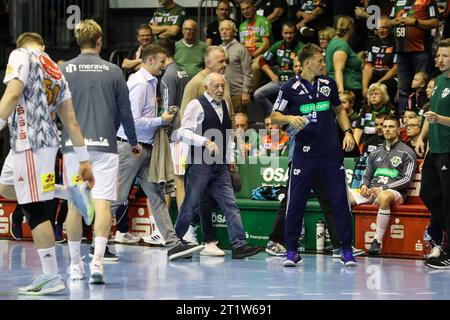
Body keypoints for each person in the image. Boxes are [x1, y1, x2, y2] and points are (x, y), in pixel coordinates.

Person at [0, 32, 95, 295]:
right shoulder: (56, 70)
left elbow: (12, 93)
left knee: (34, 208)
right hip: (38, 143)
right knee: (7, 189)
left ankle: (51, 276)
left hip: (29, 141)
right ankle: (67, 192)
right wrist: (84, 160)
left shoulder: (20, 55)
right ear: (42, 46)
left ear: (21, 45)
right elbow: (71, 121)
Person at [60, 20, 140, 284]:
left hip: (73, 148)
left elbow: (55, 110)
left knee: (74, 205)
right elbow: (125, 111)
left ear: (78, 40)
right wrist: (133, 140)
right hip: (105, 147)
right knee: (103, 204)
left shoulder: (65, 70)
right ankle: (97, 264)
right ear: (99, 40)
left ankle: (74, 266)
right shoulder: (115, 71)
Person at [111, 44, 205, 261]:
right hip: (131, 147)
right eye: (162, 61)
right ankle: (99, 242)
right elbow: (132, 120)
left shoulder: (149, 82)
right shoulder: (140, 84)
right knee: (116, 198)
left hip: (144, 148)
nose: (165, 65)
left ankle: (173, 244)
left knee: (157, 196)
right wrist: (160, 120)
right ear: (150, 60)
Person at [271, 43, 357, 267]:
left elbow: (339, 111)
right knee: (295, 201)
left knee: (339, 200)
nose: (324, 63)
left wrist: (347, 132)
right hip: (304, 153)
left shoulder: (329, 84)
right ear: (307, 62)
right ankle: (291, 251)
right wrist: (290, 118)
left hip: (330, 153)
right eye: (320, 60)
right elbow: (275, 116)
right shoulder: (289, 87)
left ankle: (346, 249)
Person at [176, 72, 261, 259]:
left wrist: (230, 159)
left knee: (230, 204)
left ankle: (239, 245)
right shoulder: (196, 105)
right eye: (216, 86)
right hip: (199, 163)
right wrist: (205, 141)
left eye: (223, 86)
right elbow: (182, 132)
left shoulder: (224, 104)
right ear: (206, 88)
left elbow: (227, 133)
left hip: (220, 165)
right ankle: (176, 241)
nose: (221, 90)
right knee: (190, 204)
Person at [349, 116, 417, 255]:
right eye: (385, 126)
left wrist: (382, 189)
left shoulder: (407, 152)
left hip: (395, 192)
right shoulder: (375, 152)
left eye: (391, 126)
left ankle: (376, 242)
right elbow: (367, 175)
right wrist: (363, 186)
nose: (387, 129)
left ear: (399, 129)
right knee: (343, 197)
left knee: (384, 197)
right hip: (373, 190)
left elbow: (407, 180)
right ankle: (345, 242)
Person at [416, 39, 450, 269]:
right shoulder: (438, 80)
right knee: (428, 194)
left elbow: (438, 116)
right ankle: (441, 237)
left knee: (448, 202)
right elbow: (432, 113)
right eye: (438, 55)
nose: (439, 59)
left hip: (449, 149)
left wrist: (440, 120)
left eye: (445, 56)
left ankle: (444, 249)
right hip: (434, 149)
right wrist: (422, 136)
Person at [389, 0, 439, 114]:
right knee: (402, 89)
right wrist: (394, 21)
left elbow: (435, 22)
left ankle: (422, 117)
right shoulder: (397, 2)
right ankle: (403, 119)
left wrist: (414, 22)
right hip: (401, 52)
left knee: (422, 88)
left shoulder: (428, 1)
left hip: (420, 51)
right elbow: (389, 21)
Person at [158, 38, 190, 212]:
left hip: (175, 134)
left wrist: (163, 131)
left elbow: (169, 109)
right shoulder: (182, 71)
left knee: (177, 182)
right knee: (181, 181)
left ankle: (184, 229)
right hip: (186, 130)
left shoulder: (167, 76)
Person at [254, 21, 304, 116]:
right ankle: (273, 117)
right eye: (286, 33)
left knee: (285, 102)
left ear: (295, 33)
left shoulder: (301, 48)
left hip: (295, 83)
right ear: (282, 33)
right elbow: (262, 61)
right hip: (278, 81)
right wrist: (272, 75)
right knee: (258, 94)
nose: (288, 36)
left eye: (291, 33)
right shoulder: (279, 45)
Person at [325, 15, 363, 112]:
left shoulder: (333, 42)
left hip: (344, 88)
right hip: (348, 90)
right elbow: (339, 70)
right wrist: (341, 91)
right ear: (350, 27)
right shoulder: (341, 45)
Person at [362, 16, 398, 105]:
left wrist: (378, 84)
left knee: (383, 87)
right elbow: (368, 66)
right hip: (375, 76)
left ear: (390, 29)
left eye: (384, 27)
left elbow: (395, 69)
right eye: (378, 28)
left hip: (390, 79)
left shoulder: (396, 43)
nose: (381, 30)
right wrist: (365, 87)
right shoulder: (372, 43)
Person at [219, 19, 252, 113]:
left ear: (234, 31)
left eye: (227, 29)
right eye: (222, 30)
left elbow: (247, 72)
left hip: (238, 94)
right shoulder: (218, 49)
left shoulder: (241, 49)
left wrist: (246, 92)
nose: (224, 32)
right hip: (222, 93)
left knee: (238, 124)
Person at [239, 0, 272, 92]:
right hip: (248, 54)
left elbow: (266, 44)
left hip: (262, 53)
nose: (246, 11)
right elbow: (242, 45)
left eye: (248, 8)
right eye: (243, 9)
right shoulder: (242, 26)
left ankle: (252, 93)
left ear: (254, 8)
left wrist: (252, 55)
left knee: (254, 67)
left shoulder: (263, 21)